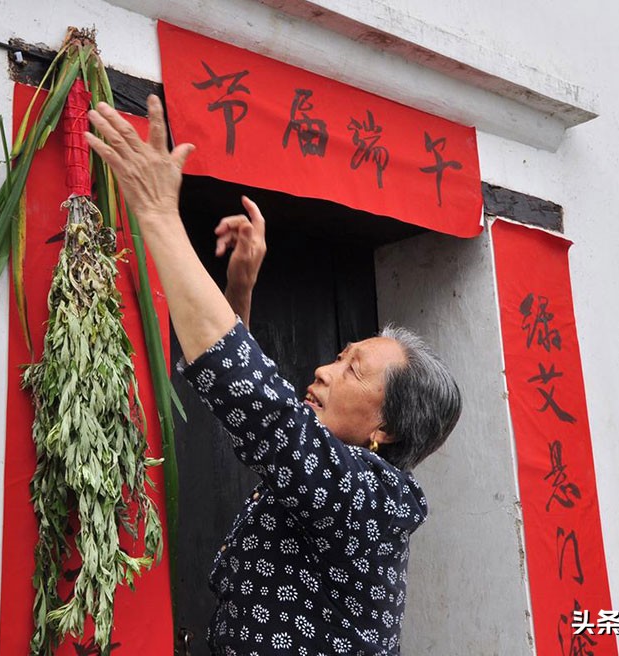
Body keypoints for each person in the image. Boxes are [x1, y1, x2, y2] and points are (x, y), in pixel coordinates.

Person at [85, 96, 462, 655]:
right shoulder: (332, 482)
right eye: (339, 356)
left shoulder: (375, 501)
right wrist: (238, 293)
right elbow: (253, 405)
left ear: (386, 430)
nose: (324, 371)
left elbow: (266, 413)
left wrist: (159, 214)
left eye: (351, 369)